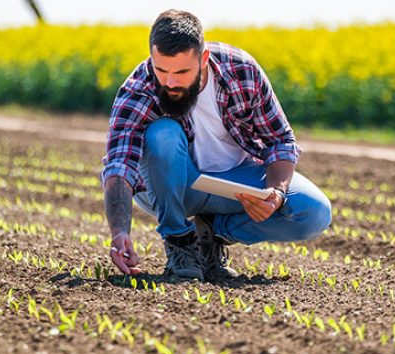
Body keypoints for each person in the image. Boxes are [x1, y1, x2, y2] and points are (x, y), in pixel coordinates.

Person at [100, 9, 332, 282]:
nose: (170, 82)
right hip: (172, 189)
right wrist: (119, 232)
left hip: (234, 186)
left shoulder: (241, 71)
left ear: (204, 59)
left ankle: (212, 232)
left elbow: (279, 140)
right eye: (161, 70)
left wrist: (276, 193)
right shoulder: (139, 87)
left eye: (182, 71)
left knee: (313, 212)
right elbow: (119, 164)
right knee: (163, 132)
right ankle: (179, 241)